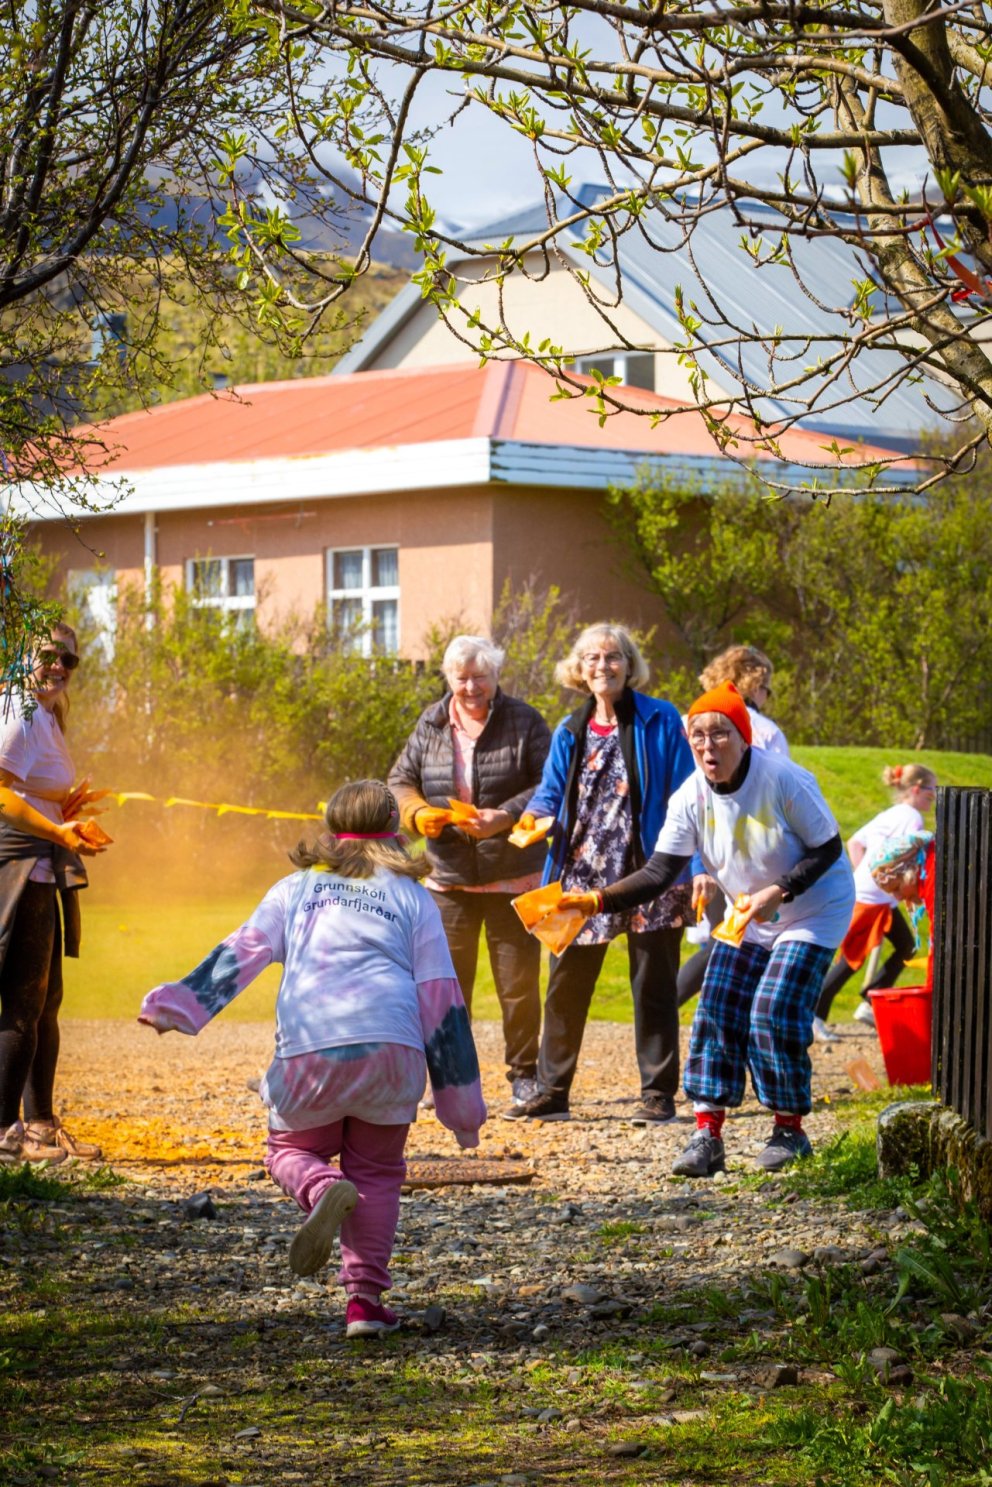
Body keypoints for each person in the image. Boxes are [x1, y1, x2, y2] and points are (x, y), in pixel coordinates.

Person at [139, 780, 486, 1338]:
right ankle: (365, 1306)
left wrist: (177, 1006)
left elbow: (240, 954)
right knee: (376, 1172)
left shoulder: (296, 888)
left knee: (291, 1150)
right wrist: (462, 1110)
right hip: (392, 1054)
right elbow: (442, 1000)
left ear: (329, 829)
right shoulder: (414, 898)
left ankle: (321, 1189)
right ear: (395, 834)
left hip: (311, 1046)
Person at [560, 680, 855, 1173]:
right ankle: (707, 1136)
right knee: (714, 1009)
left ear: (744, 738)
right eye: (698, 735)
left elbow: (828, 848)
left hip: (811, 911)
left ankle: (789, 1131)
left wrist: (777, 892)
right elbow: (659, 871)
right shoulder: (690, 797)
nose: (707, 745)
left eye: (720, 733)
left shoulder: (784, 779)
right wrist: (595, 900)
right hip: (748, 914)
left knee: (772, 1010)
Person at [506, 622, 695, 1125]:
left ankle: (657, 1094)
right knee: (565, 983)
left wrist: (693, 867)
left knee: (653, 985)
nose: (602, 666)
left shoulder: (661, 718)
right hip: (583, 870)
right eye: (592, 658)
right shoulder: (571, 728)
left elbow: (688, 793)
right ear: (579, 669)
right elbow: (549, 792)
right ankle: (552, 1090)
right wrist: (534, 818)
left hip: (651, 870)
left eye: (612, 657)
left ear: (629, 665)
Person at [388, 636, 550, 1110]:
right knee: (443, 985)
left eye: (480, 676)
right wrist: (418, 814)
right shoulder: (432, 721)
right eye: (461, 677)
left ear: (496, 677)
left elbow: (550, 784)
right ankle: (443, 1078)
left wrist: (504, 816)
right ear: (448, 678)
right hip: (448, 878)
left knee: (517, 985)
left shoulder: (524, 720)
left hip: (511, 875)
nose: (471, 686)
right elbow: (400, 781)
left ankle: (524, 1077)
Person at [0, 623, 109, 1165]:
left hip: (39, 866)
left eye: (71, 659)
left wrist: (63, 815)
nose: (61, 666)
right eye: (49, 654)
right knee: (22, 1004)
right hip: (14, 868)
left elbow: (26, 790)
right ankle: (4, 1134)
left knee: (45, 1003)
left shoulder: (45, 713)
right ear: (21, 651)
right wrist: (58, 832)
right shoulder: (15, 709)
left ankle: (40, 1126)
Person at [678, 644, 789, 1008]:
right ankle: (670, 1006)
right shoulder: (765, 731)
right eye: (766, 687)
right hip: (742, 855)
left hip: (690, 847)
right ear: (754, 682)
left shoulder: (688, 723)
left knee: (726, 939)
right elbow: (777, 798)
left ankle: (669, 1009)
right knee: (736, 941)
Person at [813, 764, 937, 1038]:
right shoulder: (912, 817)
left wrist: (863, 876)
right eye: (932, 790)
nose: (935, 795)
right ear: (916, 789)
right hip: (872, 898)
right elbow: (909, 858)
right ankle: (814, 1014)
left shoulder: (891, 814)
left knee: (907, 946)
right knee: (851, 959)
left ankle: (871, 1001)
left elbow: (855, 843)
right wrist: (877, 882)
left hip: (880, 898)